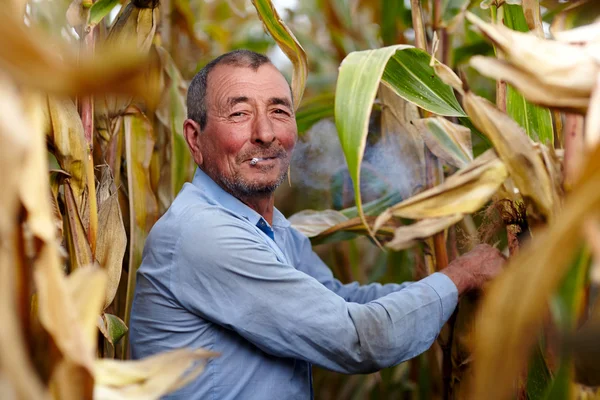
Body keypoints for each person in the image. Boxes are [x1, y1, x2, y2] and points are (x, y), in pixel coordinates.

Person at [129, 49, 505, 399]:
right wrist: (461, 276)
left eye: (279, 111)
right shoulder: (204, 234)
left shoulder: (275, 229)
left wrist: (456, 289)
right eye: (239, 114)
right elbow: (357, 337)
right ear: (195, 139)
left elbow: (340, 302)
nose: (265, 133)